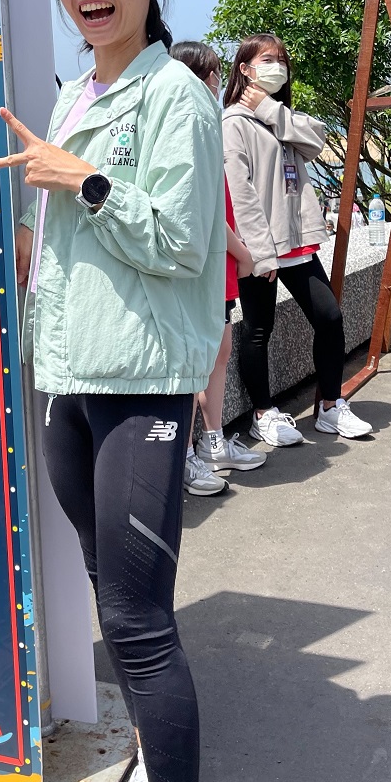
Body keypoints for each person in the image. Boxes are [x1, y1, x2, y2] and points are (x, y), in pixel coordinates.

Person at [0, 0, 225, 782]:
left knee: (137, 619)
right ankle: (145, 765)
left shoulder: (178, 96)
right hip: (67, 375)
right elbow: (60, 238)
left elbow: (183, 243)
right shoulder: (74, 96)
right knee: (106, 589)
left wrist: (84, 181)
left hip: (140, 384)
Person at [222, 34, 373, 444]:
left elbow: (316, 140)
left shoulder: (279, 115)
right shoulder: (233, 123)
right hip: (260, 247)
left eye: (281, 60)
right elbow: (240, 192)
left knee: (330, 318)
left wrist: (269, 108)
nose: (278, 67)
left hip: (296, 242)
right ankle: (263, 413)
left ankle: (330, 407)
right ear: (244, 69)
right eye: (267, 59)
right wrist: (258, 252)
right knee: (258, 330)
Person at [170, 42, 267, 477]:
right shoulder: (185, 127)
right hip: (205, 263)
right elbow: (203, 210)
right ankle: (185, 456)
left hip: (218, 263)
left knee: (219, 351)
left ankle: (211, 443)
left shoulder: (206, 125)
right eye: (208, 74)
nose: (215, 82)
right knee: (198, 360)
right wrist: (243, 252)